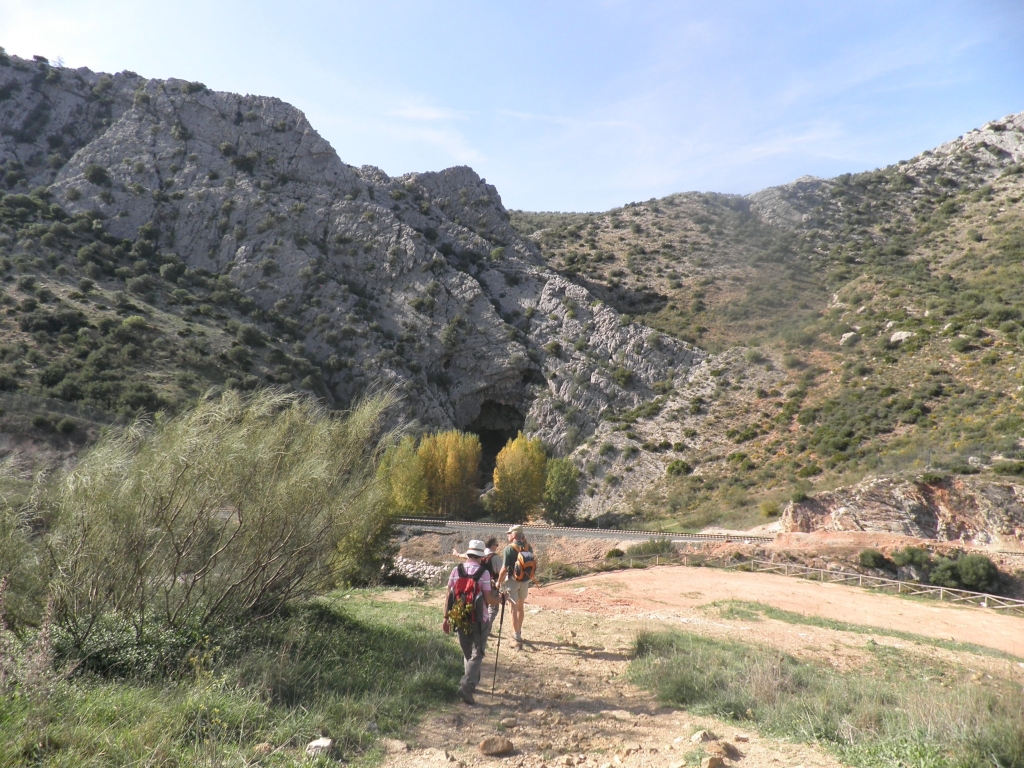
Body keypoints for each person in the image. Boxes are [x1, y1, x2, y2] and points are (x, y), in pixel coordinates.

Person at [443, 539, 500, 704]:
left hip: (459, 617)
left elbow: (449, 596)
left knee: (467, 651)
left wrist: (446, 618)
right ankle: (467, 686)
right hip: (479, 619)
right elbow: (489, 599)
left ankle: (471, 682)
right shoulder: (484, 573)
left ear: (468, 554)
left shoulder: (456, 570)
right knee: (478, 653)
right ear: (481, 556)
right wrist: (501, 599)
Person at [497, 524, 534, 647]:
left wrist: (498, 581)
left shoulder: (509, 549)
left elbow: (504, 568)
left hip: (512, 582)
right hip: (525, 581)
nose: (508, 535)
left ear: (513, 535)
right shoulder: (529, 547)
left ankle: (516, 635)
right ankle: (519, 630)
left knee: (512, 608)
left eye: (509, 533)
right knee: (520, 606)